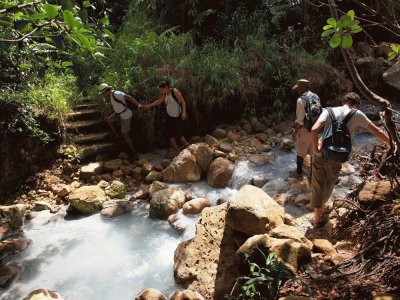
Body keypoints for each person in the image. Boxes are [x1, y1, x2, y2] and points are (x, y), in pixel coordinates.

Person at [310, 92, 390, 227]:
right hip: (338, 156)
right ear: (357, 104)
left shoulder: (328, 111)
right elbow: (378, 131)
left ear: (343, 101)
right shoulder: (357, 114)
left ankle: (317, 217)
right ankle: (322, 207)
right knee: (329, 182)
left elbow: (314, 129)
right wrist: (393, 144)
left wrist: (315, 149)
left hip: (322, 153)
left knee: (318, 183)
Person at [142, 81, 190, 149]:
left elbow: (183, 101)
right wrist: (148, 106)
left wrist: (184, 112)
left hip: (177, 115)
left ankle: (187, 144)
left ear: (167, 87)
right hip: (169, 116)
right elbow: (159, 101)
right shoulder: (165, 94)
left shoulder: (174, 91)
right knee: (169, 132)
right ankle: (175, 146)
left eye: (162, 89)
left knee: (178, 132)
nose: (161, 91)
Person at [99, 83, 142, 157]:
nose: (103, 95)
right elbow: (116, 107)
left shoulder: (116, 94)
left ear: (105, 91)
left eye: (103, 93)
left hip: (125, 114)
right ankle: (117, 135)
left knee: (125, 134)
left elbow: (128, 97)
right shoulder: (111, 95)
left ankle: (134, 152)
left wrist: (138, 105)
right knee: (108, 120)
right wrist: (108, 114)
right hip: (119, 113)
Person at [292, 79, 321, 176]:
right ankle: (312, 175)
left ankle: (299, 173)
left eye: (299, 88)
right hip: (315, 129)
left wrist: (295, 131)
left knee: (300, 153)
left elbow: (300, 120)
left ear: (303, 87)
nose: (298, 90)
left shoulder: (300, 100)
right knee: (313, 153)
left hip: (304, 130)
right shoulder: (316, 96)